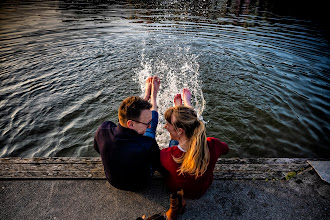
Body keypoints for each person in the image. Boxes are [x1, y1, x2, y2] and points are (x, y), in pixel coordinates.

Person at [160, 88, 229, 219]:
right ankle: (187, 109)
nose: (165, 126)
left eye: (168, 124)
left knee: (173, 143)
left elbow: (162, 168)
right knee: (193, 141)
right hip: (201, 191)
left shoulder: (167, 154)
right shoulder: (213, 144)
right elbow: (226, 149)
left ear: (179, 131)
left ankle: (183, 109)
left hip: (175, 190)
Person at [94, 76, 162, 191]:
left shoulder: (103, 130)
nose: (148, 125)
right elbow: (159, 167)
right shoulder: (147, 144)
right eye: (146, 123)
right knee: (151, 130)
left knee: (130, 120)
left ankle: (146, 97)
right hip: (140, 185)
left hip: (113, 182)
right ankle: (154, 97)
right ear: (131, 124)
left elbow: (97, 148)